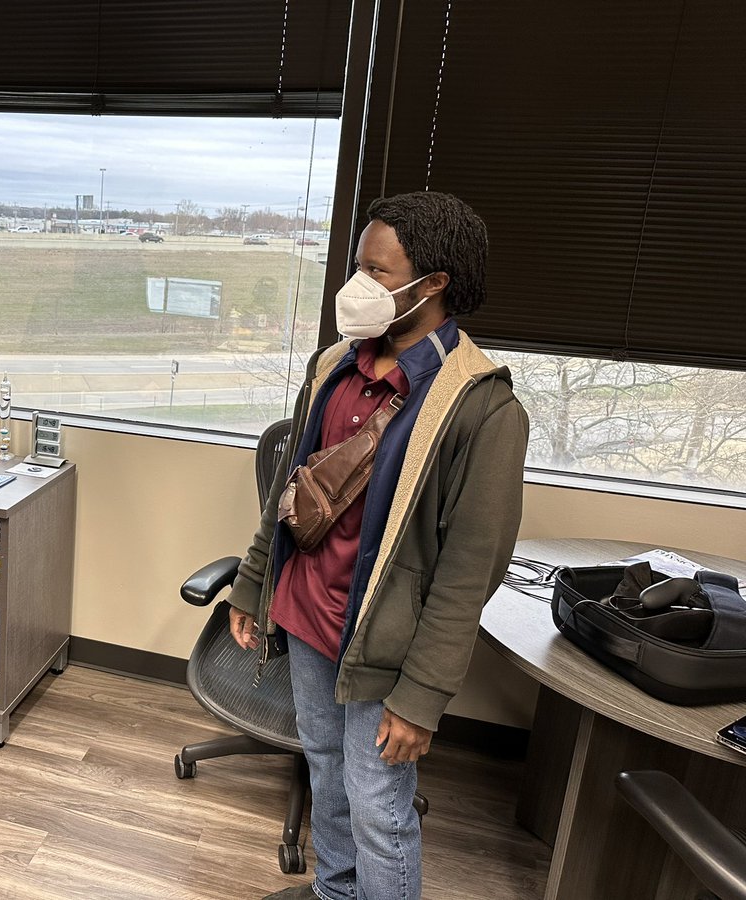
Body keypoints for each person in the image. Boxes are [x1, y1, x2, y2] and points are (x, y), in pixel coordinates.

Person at [228, 192, 529, 900]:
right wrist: (252, 583)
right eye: (357, 265)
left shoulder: (482, 407)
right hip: (306, 617)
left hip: (385, 649)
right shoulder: (333, 364)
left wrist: (422, 697)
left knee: (380, 810)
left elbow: (467, 573)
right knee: (327, 777)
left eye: (377, 270)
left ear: (433, 286)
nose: (357, 284)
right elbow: (290, 494)